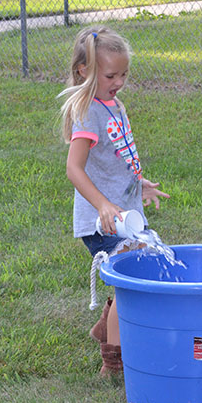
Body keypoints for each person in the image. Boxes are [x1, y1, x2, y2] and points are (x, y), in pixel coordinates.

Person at [59, 25, 169, 375]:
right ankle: (115, 362)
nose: (119, 80)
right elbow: (74, 169)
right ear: (84, 71)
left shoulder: (114, 104)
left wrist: (138, 186)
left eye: (124, 73)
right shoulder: (88, 111)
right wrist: (104, 204)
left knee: (143, 271)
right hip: (101, 220)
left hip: (126, 212)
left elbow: (117, 157)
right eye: (111, 74)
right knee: (132, 281)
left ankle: (108, 330)